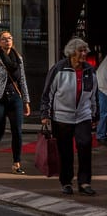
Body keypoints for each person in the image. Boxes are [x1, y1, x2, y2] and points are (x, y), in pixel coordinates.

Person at [40, 38, 99, 196]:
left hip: (83, 116)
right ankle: (66, 182)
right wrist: (45, 114)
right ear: (72, 53)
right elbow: (47, 94)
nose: (84, 53)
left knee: (85, 147)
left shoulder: (89, 70)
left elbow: (93, 95)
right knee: (65, 151)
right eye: (81, 50)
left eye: (85, 50)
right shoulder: (59, 69)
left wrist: (94, 114)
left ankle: (84, 182)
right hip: (62, 117)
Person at [0, 30, 31, 174]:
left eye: (9, 38)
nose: (7, 41)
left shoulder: (18, 58)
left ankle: (16, 163)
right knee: (0, 130)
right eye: (4, 39)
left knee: (17, 131)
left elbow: (22, 81)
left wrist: (26, 101)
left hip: (15, 98)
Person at [96, 56, 107, 148]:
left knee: (104, 113)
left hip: (103, 85)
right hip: (102, 88)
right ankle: (101, 136)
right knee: (103, 113)